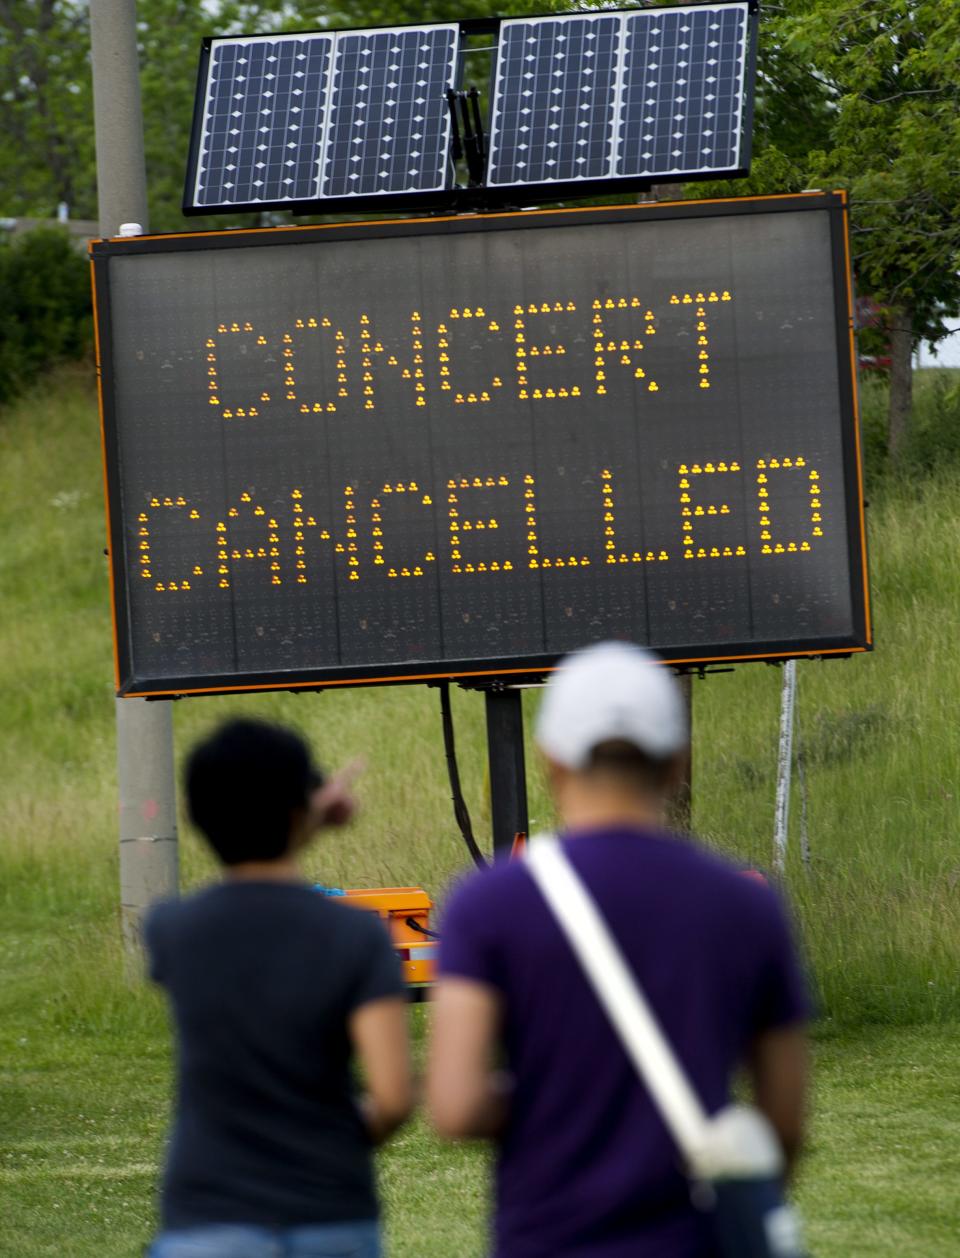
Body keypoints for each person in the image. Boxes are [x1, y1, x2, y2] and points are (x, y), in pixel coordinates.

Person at [428, 642, 809, 1258]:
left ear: (551, 759)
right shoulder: (747, 906)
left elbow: (456, 1107)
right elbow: (785, 1121)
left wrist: (554, 1102)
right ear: (677, 762)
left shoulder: (488, 905)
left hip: (548, 1238)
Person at [145, 718, 413, 1258]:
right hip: (331, 1213)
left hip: (206, 1218)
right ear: (300, 810)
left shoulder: (171, 931)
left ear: (198, 817)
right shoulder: (357, 936)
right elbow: (392, 1099)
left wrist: (305, 814)